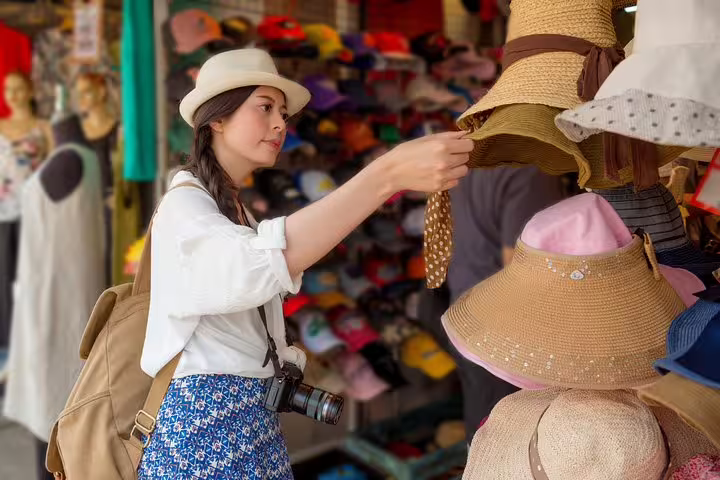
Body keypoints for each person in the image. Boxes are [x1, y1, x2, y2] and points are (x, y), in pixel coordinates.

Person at [136, 48, 472, 479]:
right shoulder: (186, 206)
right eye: (265, 107)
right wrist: (385, 175)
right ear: (215, 119)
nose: (280, 123)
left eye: (282, 112)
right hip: (206, 428)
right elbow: (259, 266)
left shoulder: (229, 208)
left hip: (240, 421)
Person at [419, 166, 565, 444]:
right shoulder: (527, 172)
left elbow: (440, 246)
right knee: (507, 438)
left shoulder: (465, 162)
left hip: (464, 316)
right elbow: (522, 269)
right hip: (503, 332)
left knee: (486, 428)